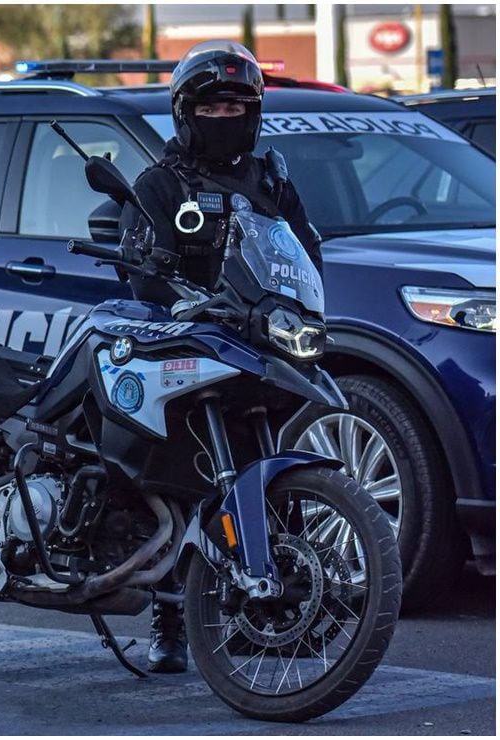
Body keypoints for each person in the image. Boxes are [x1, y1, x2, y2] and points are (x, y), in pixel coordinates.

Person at [119, 40, 322, 674]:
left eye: (239, 103)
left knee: (271, 478)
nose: (227, 114)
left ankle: (281, 608)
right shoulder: (160, 182)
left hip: (261, 346)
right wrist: (175, 290)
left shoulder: (271, 180)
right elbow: (138, 268)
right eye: (213, 105)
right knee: (179, 480)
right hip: (185, 346)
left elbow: (304, 251)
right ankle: (170, 614)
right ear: (186, 112)